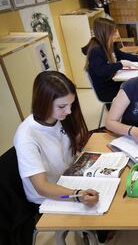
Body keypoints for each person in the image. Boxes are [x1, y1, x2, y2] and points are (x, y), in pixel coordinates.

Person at [14, 71, 99, 207]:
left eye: (71, 104)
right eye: (62, 106)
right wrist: (77, 196)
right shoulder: (26, 136)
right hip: (50, 196)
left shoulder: (60, 117)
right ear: (43, 102)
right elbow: (42, 188)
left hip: (69, 178)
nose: (69, 111)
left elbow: (72, 144)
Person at [83, 17, 138, 104]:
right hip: (106, 90)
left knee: (135, 85)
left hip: (112, 82)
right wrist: (120, 64)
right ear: (105, 33)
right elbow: (102, 70)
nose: (117, 34)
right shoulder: (96, 51)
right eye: (114, 32)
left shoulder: (109, 45)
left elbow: (121, 55)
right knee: (134, 89)